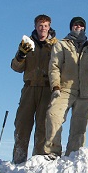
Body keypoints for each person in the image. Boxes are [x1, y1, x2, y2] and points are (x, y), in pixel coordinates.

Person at [44, 17, 88, 159]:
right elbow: (54, 66)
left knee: (80, 126)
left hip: (86, 92)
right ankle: (53, 151)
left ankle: (73, 155)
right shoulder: (61, 45)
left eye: (81, 25)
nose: (78, 27)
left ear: (85, 28)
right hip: (65, 89)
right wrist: (55, 86)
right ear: (71, 27)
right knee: (53, 116)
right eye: (76, 25)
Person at [11, 14, 57, 163]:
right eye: (40, 25)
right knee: (22, 125)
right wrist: (20, 55)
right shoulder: (27, 44)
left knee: (43, 127)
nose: (42, 29)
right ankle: (18, 161)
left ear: (49, 27)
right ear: (35, 27)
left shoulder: (56, 45)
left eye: (45, 26)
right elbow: (16, 67)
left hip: (47, 89)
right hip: (29, 88)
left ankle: (38, 162)